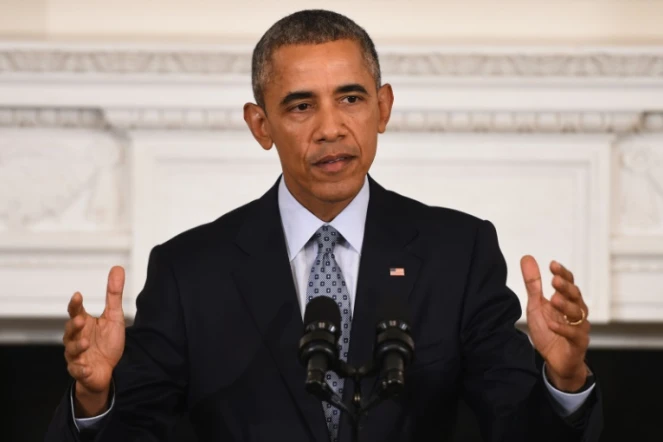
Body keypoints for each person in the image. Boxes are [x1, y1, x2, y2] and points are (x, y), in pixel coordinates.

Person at [46, 9, 602, 442]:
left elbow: (518, 429)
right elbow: (134, 431)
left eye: (351, 98)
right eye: (300, 107)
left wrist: (565, 382)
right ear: (260, 124)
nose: (331, 128)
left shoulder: (457, 253)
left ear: (382, 108)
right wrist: (96, 400)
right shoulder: (191, 271)